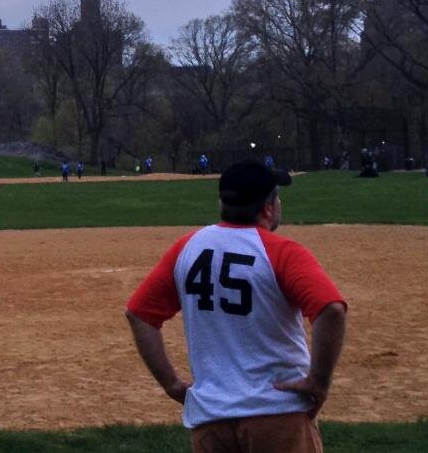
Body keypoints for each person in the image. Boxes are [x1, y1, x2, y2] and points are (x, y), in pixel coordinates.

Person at [126, 160, 347, 453]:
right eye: (277, 197)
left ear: (222, 203)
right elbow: (331, 309)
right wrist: (318, 382)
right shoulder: (283, 252)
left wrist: (171, 383)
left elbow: (139, 313)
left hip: (211, 418)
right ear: (268, 207)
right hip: (276, 412)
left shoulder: (188, 247)